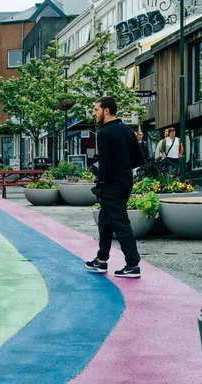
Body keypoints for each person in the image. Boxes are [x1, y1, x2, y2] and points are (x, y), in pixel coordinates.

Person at [86, 96, 144, 278]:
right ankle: (101, 260)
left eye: (96, 110)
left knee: (120, 222)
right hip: (125, 180)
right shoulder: (127, 131)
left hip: (111, 184)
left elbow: (104, 162)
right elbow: (139, 159)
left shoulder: (104, 133)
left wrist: (100, 184)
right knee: (105, 221)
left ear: (106, 111)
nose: (93, 114)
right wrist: (123, 168)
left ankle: (133, 264)